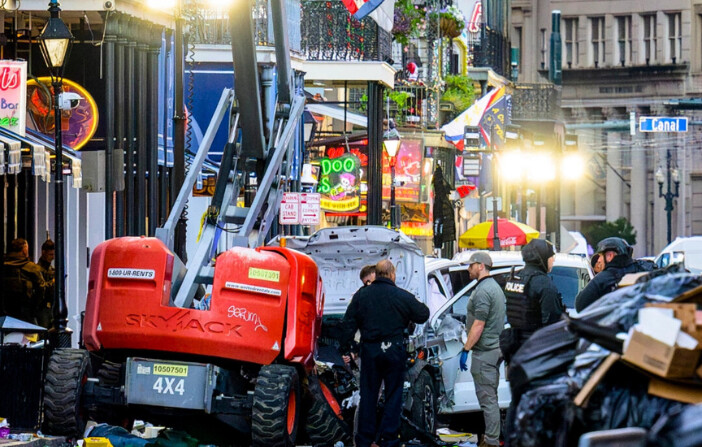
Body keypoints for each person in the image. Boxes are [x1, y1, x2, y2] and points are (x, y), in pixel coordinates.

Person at [340, 259, 430, 447]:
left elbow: (347, 324)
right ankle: (389, 439)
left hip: (370, 351)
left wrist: (349, 348)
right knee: (393, 395)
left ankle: (364, 439)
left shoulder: (361, 295)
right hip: (394, 351)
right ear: (392, 274)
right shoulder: (400, 295)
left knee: (369, 396)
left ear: (377, 274)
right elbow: (423, 314)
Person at [459, 252, 505, 447]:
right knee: (491, 398)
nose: (468, 269)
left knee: (488, 401)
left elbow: (479, 324)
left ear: (480, 266)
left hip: (485, 352)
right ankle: (490, 437)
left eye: (471, 266)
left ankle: (492, 441)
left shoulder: (484, 291)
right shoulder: (493, 287)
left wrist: (466, 349)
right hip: (493, 349)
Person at [502, 239, 564, 360]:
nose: (554, 260)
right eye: (551, 256)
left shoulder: (515, 278)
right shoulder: (544, 284)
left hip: (515, 347)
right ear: (542, 257)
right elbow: (552, 323)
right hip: (537, 351)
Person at [574, 237, 653, 312]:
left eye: (600, 256)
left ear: (609, 256)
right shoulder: (646, 269)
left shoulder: (602, 279)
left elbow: (580, 305)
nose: (598, 260)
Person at [1, 238, 48, 324]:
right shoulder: (30, 267)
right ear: (24, 250)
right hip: (26, 311)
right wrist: (35, 306)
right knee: (33, 333)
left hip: (5, 310)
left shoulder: (4, 266)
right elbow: (41, 288)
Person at [36, 239, 56, 328]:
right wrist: (53, 282)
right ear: (43, 252)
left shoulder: (51, 269)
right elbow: (41, 288)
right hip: (42, 307)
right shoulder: (37, 269)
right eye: (50, 254)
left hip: (50, 306)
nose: (52, 257)